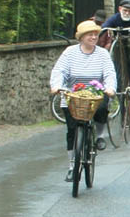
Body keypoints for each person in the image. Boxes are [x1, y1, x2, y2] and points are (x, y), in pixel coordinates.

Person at [49, 19, 117, 179]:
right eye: (90, 35)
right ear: (81, 37)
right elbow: (59, 71)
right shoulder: (70, 52)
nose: (93, 37)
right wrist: (56, 85)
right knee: (72, 130)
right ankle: (72, 166)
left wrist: (110, 88)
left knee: (101, 110)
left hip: (96, 94)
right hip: (73, 95)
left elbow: (109, 73)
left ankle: (99, 136)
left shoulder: (103, 54)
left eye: (95, 34)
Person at [102, 0, 130, 88]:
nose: (127, 13)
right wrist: (100, 30)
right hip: (120, 44)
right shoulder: (115, 18)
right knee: (116, 66)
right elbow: (104, 26)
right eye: (125, 10)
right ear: (119, 9)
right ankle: (118, 87)